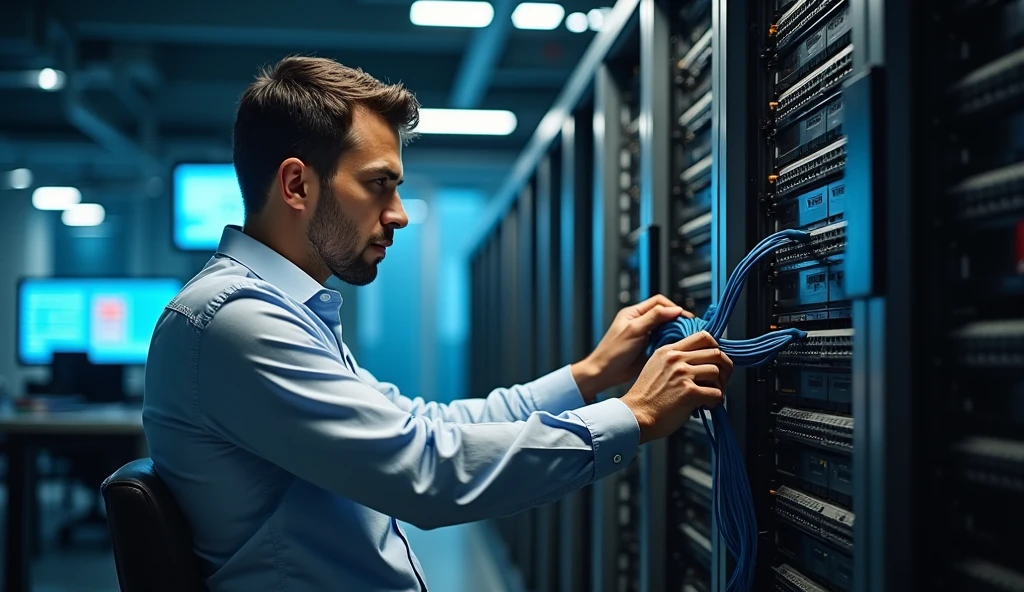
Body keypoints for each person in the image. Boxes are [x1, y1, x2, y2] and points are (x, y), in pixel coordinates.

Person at [143, 56, 732, 592]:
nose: (397, 214)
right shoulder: (236, 321)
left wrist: (589, 375)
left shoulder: (282, 312)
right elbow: (427, 470)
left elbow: (421, 425)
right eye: (379, 184)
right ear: (297, 184)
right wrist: (636, 416)